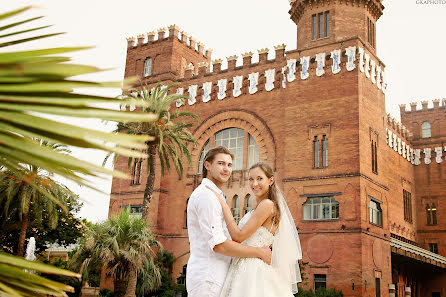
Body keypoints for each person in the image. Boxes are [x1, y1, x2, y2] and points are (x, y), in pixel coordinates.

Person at [186, 147, 272, 297]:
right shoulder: (206, 196)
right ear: (207, 165)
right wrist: (259, 252)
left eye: (229, 165)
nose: (226, 169)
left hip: (220, 277)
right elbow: (219, 245)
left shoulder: (216, 195)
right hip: (208, 278)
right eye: (221, 163)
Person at [207, 161, 302, 297]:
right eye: (251, 179)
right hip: (245, 264)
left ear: (270, 181)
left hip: (253, 270)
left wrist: (224, 206)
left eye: (259, 179)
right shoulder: (258, 206)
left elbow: (238, 237)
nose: (254, 184)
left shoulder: (267, 205)